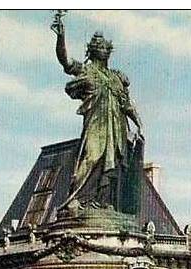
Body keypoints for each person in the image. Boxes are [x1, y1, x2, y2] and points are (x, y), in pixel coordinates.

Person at [52, 12, 144, 213]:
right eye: (98, 47)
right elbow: (65, 61)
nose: (102, 49)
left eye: (104, 47)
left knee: (112, 165)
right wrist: (61, 36)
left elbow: (126, 103)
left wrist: (138, 123)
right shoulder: (86, 70)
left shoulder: (116, 77)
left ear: (109, 51)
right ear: (91, 51)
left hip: (116, 125)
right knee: (92, 157)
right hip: (96, 123)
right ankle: (75, 199)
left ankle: (102, 202)